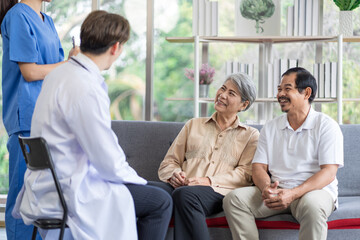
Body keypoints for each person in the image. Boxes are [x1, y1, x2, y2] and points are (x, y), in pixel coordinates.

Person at [12, 10, 172, 240]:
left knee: (161, 190)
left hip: (50, 182)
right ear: (116, 47)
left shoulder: (60, 74)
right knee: (161, 202)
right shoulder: (84, 86)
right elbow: (104, 156)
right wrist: (134, 176)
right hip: (70, 188)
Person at [223, 67, 344, 240]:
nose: (280, 94)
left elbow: (329, 173)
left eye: (287, 89)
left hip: (314, 191)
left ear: (306, 93)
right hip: (277, 191)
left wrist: (293, 193)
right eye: (279, 89)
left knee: (313, 207)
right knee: (234, 199)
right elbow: (258, 168)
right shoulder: (271, 127)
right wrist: (266, 189)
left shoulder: (326, 126)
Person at [0, 0, 79, 239]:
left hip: (47, 116)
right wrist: (68, 63)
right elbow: (31, 71)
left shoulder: (48, 21)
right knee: (21, 197)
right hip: (26, 116)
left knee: (40, 197)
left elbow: (58, 70)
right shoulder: (17, 16)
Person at [153, 73, 259, 240]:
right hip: (181, 186)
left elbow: (246, 174)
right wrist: (174, 175)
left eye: (231, 93)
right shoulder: (193, 124)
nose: (222, 95)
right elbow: (170, 162)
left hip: (217, 191)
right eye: (223, 88)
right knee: (148, 190)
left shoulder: (251, 135)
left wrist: (207, 181)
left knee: (185, 195)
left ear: (243, 105)